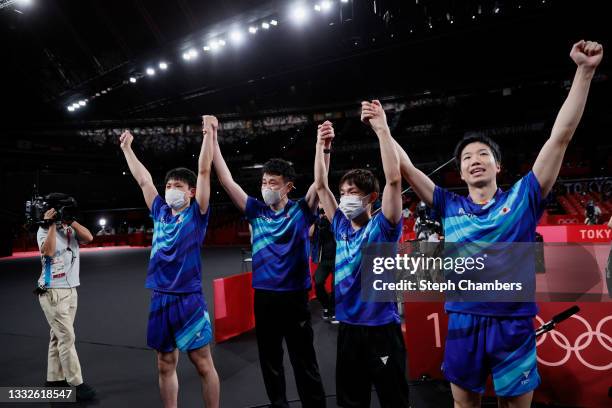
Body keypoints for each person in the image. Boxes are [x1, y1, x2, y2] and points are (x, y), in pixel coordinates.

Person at [392, 40, 603, 407]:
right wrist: (382, 129)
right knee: (464, 404)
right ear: (459, 171)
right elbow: (407, 169)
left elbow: (560, 137)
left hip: (513, 325)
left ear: (497, 165)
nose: (475, 160)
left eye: (483, 154)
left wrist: (584, 72)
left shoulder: (523, 199)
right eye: (468, 157)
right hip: (463, 322)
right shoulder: (447, 204)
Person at [212, 119, 329, 407]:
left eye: (273, 183)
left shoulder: (302, 209)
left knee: (304, 360)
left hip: (295, 298)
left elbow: (321, 182)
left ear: (288, 187)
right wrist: (212, 139)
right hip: (264, 297)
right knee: (270, 361)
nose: (266, 187)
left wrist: (323, 146)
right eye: (264, 182)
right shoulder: (255, 210)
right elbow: (227, 180)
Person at [119, 115, 220, 408]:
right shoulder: (160, 212)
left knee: (203, 364)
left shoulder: (197, 214)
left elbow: (203, 171)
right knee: (165, 363)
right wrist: (127, 148)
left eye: (177, 186)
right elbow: (143, 179)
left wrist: (207, 134)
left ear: (190, 192)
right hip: (161, 298)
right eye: (169, 186)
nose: (170, 190)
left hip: (188, 298)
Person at [315, 101, 410, 407]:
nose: (344, 198)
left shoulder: (384, 227)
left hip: (381, 329)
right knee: (350, 401)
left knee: (392, 398)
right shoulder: (340, 226)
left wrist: (381, 128)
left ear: (371, 198)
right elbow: (320, 186)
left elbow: (394, 179)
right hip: (349, 329)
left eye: (352, 193)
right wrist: (322, 146)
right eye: (343, 193)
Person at [36, 194, 96, 401]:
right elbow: (49, 252)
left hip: (71, 290)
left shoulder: (69, 228)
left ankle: (54, 380)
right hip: (52, 291)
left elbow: (89, 238)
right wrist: (51, 224)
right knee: (67, 338)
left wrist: (70, 220)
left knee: (58, 336)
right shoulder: (43, 230)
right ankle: (76, 384)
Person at [310, 207, 337, 322]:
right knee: (318, 281)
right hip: (324, 259)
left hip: (338, 258)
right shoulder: (318, 222)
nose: (324, 212)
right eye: (321, 210)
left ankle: (334, 310)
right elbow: (310, 233)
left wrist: (330, 217)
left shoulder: (336, 219)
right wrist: (316, 220)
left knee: (336, 286)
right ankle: (327, 306)